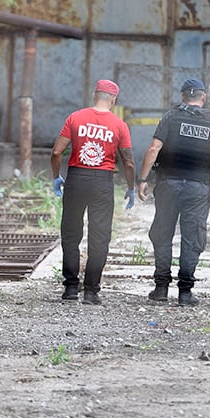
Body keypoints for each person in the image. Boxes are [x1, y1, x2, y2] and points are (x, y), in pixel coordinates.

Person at [137, 78, 210, 306]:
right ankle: (185, 292)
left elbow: (154, 148)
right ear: (204, 97)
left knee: (163, 233)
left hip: (168, 184)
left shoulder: (171, 117)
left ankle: (161, 288)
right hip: (199, 188)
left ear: (182, 97)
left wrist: (143, 179)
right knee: (192, 238)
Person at [50, 79, 136, 305]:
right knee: (99, 238)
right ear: (114, 100)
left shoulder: (75, 118)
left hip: (76, 179)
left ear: (94, 95)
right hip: (102, 183)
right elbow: (128, 162)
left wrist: (56, 176)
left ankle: (69, 288)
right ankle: (91, 292)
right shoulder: (119, 125)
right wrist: (130, 187)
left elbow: (57, 152)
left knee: (71, 234)